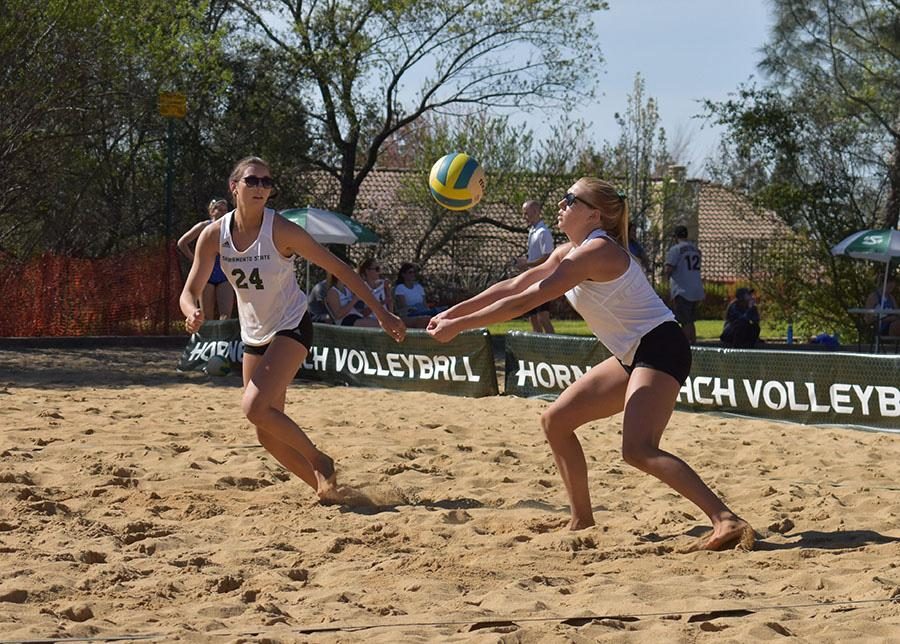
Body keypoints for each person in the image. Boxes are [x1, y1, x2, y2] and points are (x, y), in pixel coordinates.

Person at [427, 177, 753, 551]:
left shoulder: (597, 252)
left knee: (638, 449)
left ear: (594, 214)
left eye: (570, 199)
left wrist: (460, 327)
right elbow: (514, 286)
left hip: (661, 346)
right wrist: (450, 313)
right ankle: (582, 520)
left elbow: (526, 302)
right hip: (634, 352)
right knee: (556, 421)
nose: (561, 205)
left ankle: (726, 520)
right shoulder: (570, 251)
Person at [180, 156, 405, 500]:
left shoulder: (281, 229)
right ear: (234, 187)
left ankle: (320, 461)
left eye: (267, 182)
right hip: (255, 333)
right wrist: (192, 310)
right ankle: (328, 490)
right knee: (265, 433)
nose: (260, 187)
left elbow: (340, 269)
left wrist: (382, 312)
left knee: (253, 407)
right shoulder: (214, 235)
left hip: (291, 325)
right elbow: (190, 290)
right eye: (252, 180)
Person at [177, 198, 235, 320]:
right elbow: (182, 242)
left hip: (225, 275)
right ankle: (207, 339)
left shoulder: (231, 226)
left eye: (225, 210)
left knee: (225, 316)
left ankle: (224, 339)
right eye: (218, 209)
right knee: (205, 316)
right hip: (206, 276)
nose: (222, 212)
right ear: (211, 211)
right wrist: (194, 259)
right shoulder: (204, 226)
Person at [515, 200, 556, 333]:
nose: (524, 217)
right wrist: (525, 263)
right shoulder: (533, 231)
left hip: (543, 280)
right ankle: (538, 347)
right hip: (532, 280)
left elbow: (548, 257)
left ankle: (554, 348)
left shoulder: (543, 232)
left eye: (526, 213)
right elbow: (535, 256)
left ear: (535, 212)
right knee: (532, 317)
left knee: (543, 317)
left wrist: (527, 264)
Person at [664, 224, 704, 343]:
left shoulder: (676, 249)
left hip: (682, 290)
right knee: (690, 320)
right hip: (696, 289)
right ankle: (694, 344)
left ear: (675, 236)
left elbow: (669, 268)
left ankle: (686, 345)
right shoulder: (696, 249)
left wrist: (667, 284)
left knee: (684, 321)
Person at [393, 262, 445, 328]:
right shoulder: (400, 288)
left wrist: (426, 309)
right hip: (411, 312)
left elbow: (424, 303)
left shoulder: (419, 287)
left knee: (440, 312)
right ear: (403, 274)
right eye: (410, 272)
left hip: (422, 310)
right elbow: (403, 306)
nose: (412, 274)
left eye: (413, 272)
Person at [864, 272, 900, 337]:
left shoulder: (891, 297)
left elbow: (897, 313)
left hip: (893, 325)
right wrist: (886, 319)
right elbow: (867, 319)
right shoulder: (873, 297)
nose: (891, 290)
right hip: (881, 328)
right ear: (883, 284)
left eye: (892, 288)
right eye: (889, 287)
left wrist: (894, 317)